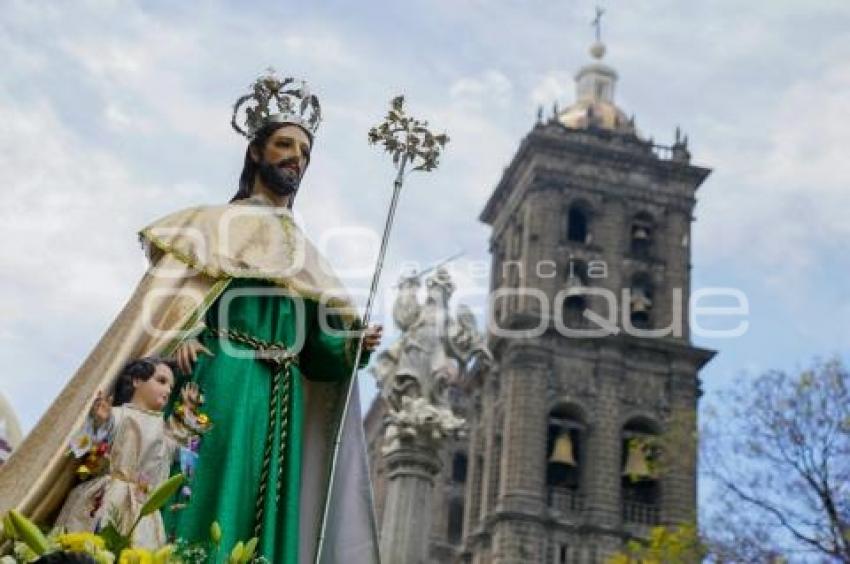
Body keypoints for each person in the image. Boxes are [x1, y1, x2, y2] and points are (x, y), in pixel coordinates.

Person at [0, 71, 383, 564]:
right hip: (216, 374)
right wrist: (185, 332)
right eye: (285, 144)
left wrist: (353, 345)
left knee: (253, 512)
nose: (295, 158)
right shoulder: (210, 226)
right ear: (256, 152)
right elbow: (168, 308)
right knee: (194, 493)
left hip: (277, 402)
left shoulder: (308, 255)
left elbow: (317, 352)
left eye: (304, 152)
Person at [54, 358, 207, 549]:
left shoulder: (162, 429)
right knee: (95, 545)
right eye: (161, 381)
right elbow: (93, 440)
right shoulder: (121, 415)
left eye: (170, 386)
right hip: (109, 496)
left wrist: (188, 411)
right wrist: (101, 420)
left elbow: (176, 447)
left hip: (142, 506)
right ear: (137, 381)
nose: (168, 390)